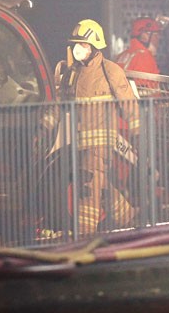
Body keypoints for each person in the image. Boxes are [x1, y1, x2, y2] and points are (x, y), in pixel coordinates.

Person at [57, 18, 139, 235]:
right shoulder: (72, 74)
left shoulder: (110, 71)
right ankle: (129, 217)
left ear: (94, 47)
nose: (78, 49)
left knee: (88, 188)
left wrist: (138, 134)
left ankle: (84, 235)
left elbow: (129, 105)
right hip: (79, 144)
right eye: (76, 44)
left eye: (82, 45)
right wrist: (43, 129)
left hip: (101, 145)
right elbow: (57, 106)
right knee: (101, 186)